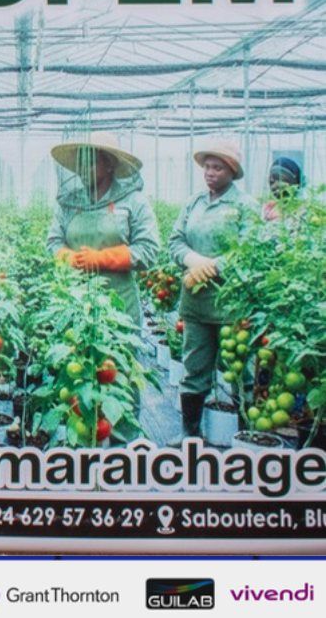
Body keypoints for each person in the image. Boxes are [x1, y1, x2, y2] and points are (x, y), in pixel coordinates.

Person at [169, 140, 259, 438]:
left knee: (239, 370)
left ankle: (247, 438)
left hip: (232, 304)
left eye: (218, 168)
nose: (210, 172)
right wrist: (192, 260)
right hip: (196, 303)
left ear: (232, 171)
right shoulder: (194, 203)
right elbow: (175, 241)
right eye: (207, 167)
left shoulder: (244, 206)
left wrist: (212, 266)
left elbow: (248, 250)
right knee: (194, 367)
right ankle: (190, 434)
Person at [47, 132, 159, 329]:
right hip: (75, 303)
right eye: (80, 163)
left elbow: (148, 250)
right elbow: (53, 242)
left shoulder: (134, 201)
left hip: (120, 306)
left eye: (90, 162)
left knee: (119, 347)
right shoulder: (69, 203)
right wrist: (69, 258)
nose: (83, 169)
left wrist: (101, 259)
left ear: (109, 164)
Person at [262, 156, 302, 222]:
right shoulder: (268, 207)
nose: (275, 185)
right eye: (272, 181)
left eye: (282, 179)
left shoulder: (301, 210)